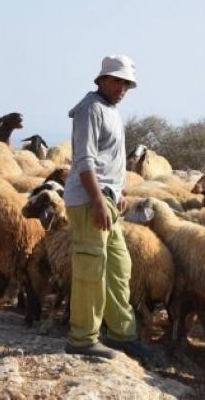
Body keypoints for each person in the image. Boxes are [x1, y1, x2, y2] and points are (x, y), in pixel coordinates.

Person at [62, 55, 155, 362]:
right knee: (92, 267)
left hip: (107, 200)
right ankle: (83, 337)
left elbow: (109, 159)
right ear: (101, 79)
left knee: (118, 266)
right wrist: (99, 200)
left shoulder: (111, 111)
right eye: (117, 81)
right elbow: (85, 160)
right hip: (90, 201)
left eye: (126, 83)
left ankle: (121, 334)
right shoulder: (90, 109)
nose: (122, 88)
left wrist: (119, 191)